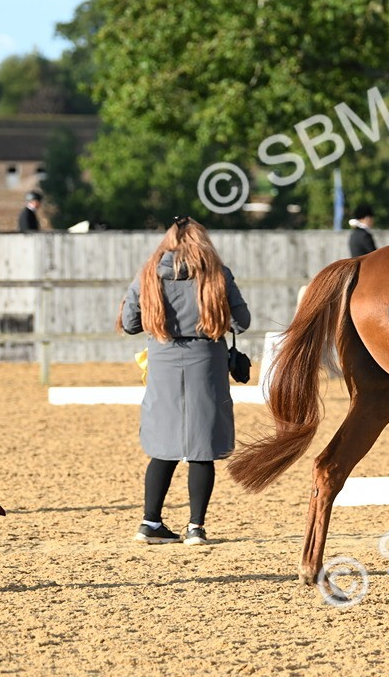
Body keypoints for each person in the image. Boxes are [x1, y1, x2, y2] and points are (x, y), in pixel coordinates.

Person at [118, 216, 251, 545]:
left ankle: (150, 523)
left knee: (162, 445)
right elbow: (242, 321)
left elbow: (129, 322)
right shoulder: (216, 273)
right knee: (202, 447)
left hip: (162, 360)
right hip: (206, 360)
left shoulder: (148, 273)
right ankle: (196, 528)